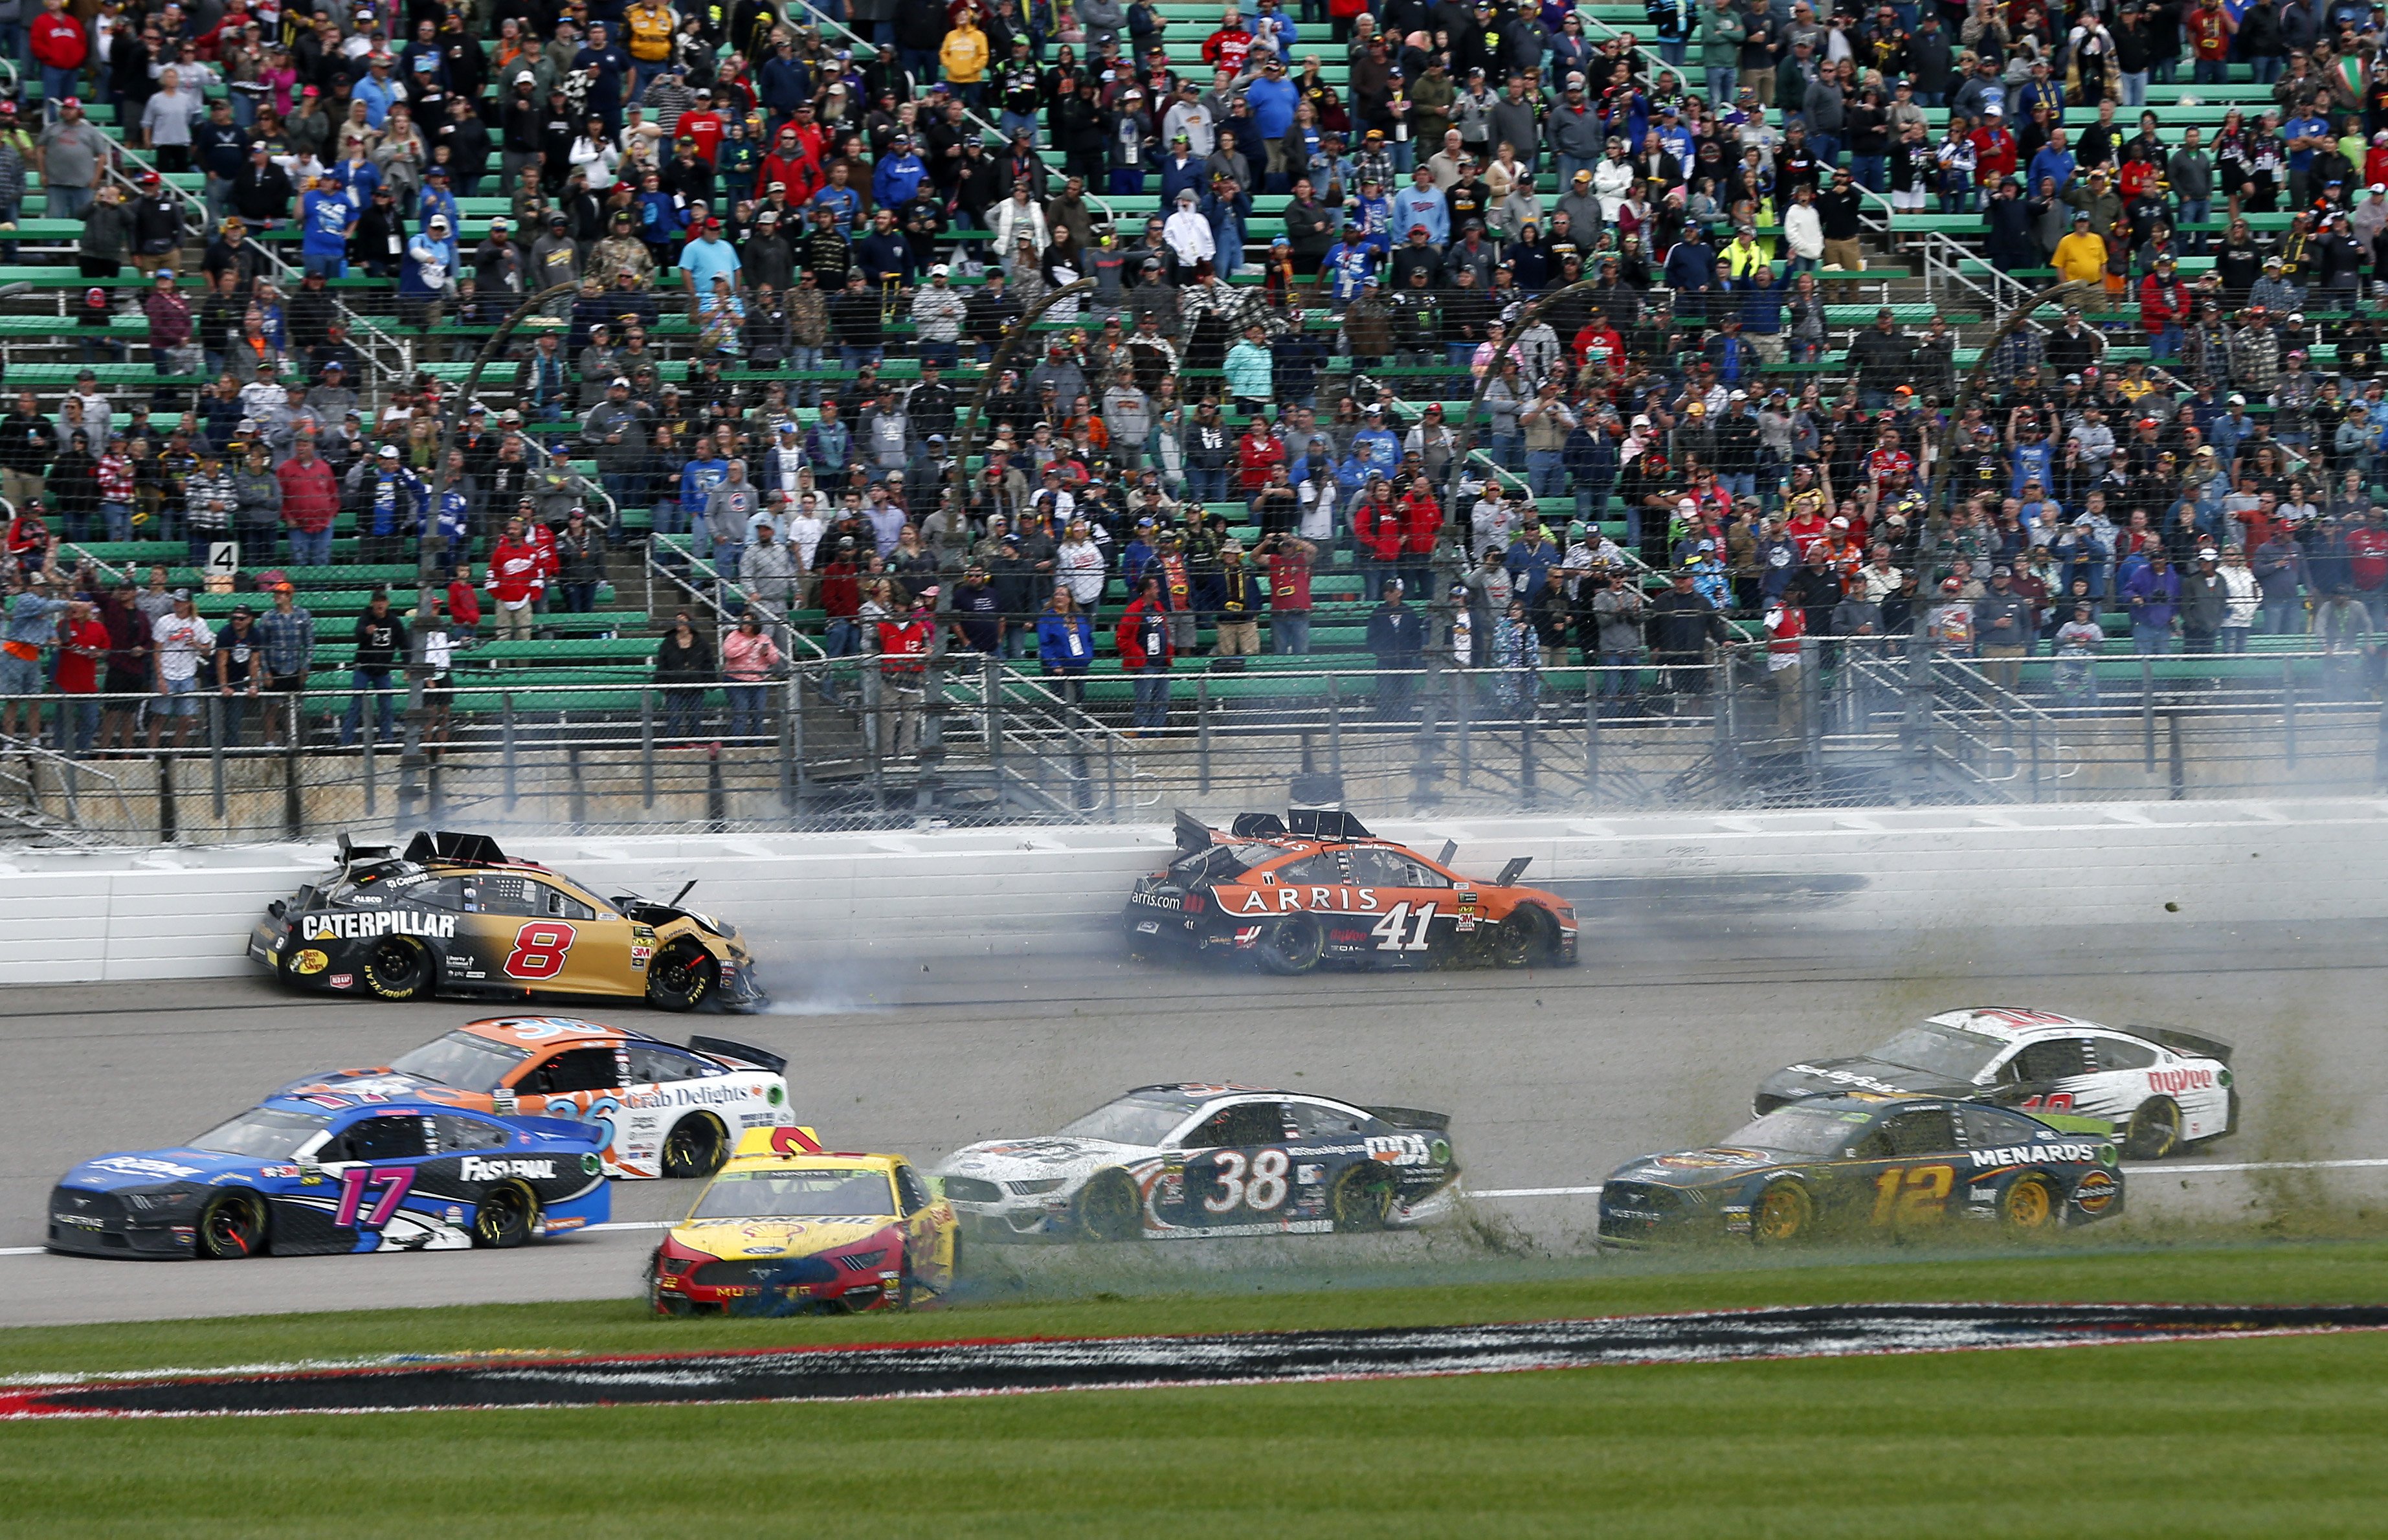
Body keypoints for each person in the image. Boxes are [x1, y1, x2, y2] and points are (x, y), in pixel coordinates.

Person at [148, 588, 216, 750]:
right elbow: (156, 652)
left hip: (187, 675)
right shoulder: (164, 621)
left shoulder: (198, 623)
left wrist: (196, 644)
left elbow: (208, 651)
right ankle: (151, 754)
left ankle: (176, 753)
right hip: (166, 673)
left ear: (189, 604)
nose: (177, 604)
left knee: (186, 719)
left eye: (181, 601)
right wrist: (160, 678)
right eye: (176, 601)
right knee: (159, 717)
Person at [339, 590, 406, 748]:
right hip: (364, 668)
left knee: (387, 707)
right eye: (377, 601)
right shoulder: (365, 617)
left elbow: (404, 644)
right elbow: (358, 632)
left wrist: (407, 666)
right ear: (372, 603)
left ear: (387, 603)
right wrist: (365, 631)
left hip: (383, 670)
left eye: (383, 601)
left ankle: (387, 741)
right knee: (356, 705)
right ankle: (346, 742)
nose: (380, 604)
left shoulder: (394, 621)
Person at [1117, 573, 1175, 733]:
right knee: (1144, 700)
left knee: (1162, 700)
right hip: (1145, 664)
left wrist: (1168, 650)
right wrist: (1138, 655)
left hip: (1161, 662)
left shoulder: (1158, 608)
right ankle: (1142, 732)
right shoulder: (1134, 609)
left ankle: (1158, 732)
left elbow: (1166, 631)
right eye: (1155, 587)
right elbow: (1122, 638)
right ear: (1147, 590)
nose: (1159, 590)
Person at [1367, 577, 1423, 719]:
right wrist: (1382, 653)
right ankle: (1386, 721)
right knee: (1386, 693)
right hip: (1385, 661)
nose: (1387, 594)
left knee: (1406, 693)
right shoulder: (1378, 612)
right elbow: (1372, 637)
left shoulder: (1409, 613)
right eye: (1385, 591)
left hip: (1406, 660)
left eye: (1391, 590)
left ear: (1399, 592)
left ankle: (1405, 720)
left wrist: (1410, 652)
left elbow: (1416, 636)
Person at [654, 610, 715, 744]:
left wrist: (708, 681)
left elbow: (708, 662)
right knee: (674, 717)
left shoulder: (701, 642)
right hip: (674, 686)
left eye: (682, 620)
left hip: (695, 685)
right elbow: (662, 663)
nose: (679, 622)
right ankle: (672, 745)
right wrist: (663, 684)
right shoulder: (668, 642)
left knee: (695, 718)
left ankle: (696, 743)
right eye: (677, 620)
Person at [720, 611, 781, 741]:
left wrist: (765, 654)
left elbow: (775, 659)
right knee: (741, 714)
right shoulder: (734, 636)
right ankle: (738, 745)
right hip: (736, 680)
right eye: (744, 622)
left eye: (749, 623)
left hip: (758, 681)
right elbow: (729, 653)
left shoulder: (764, 639)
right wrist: (748, 646)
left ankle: (758, 744)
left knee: (758, 715)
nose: (746, 625)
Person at [1036, 587, 1095, 706]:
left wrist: (1087, 657)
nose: (1058, 597)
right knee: (1061, 701)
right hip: (1059, 666)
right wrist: (1054, 664)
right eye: (1056, 594)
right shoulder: (1047, 618)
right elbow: (1045, 643)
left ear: (1069, 599)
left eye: (1062, 594)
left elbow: (1088, 639)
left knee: (1079, 698)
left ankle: (1078, 723)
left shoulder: (1079, 617)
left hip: (1079, 664)